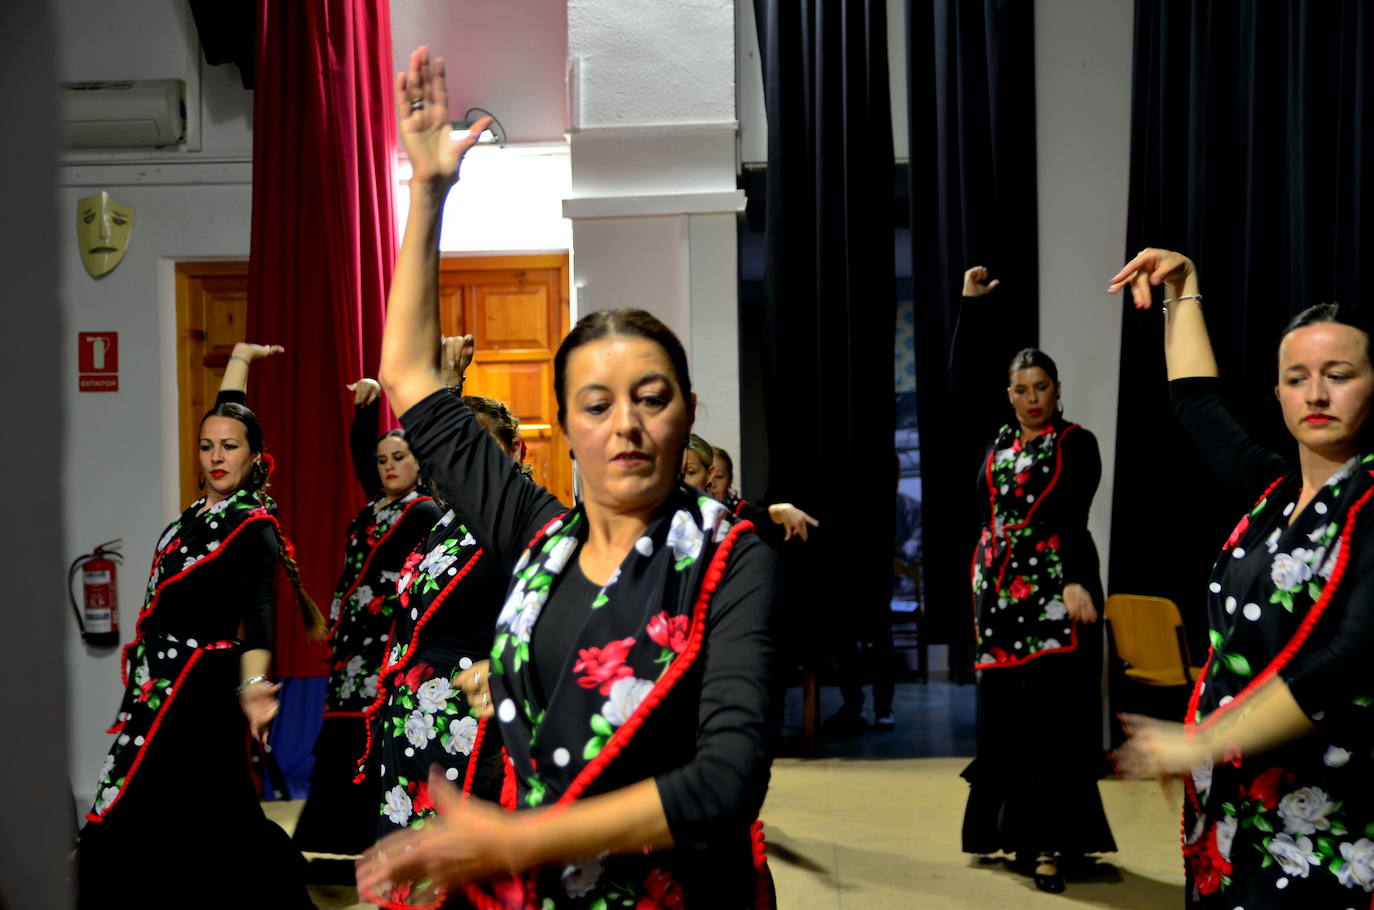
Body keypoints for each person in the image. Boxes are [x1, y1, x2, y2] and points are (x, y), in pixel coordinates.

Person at [355, 46, 780, 909]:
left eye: (651, 399)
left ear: (689, 412)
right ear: (568, 426)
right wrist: (429, 195)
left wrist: (517, 837)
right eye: (596, 404)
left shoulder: (731, 559)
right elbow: (409, 375)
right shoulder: (539, 536)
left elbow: (727, 783)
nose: (625, 424)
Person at [1113, 249, 1374, 908]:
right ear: (1279, 391)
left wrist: (1206, 737)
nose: (1315, 394)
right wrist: (1186, 286)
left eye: (1338, 374)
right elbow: (1196, 402)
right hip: (1242, 804)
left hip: (1334, 814)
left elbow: (1353, 660)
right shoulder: (1274, 490)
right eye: (1296, 377)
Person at [76, 343, 322, 909]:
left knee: (188, 801)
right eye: (207, 445)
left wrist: (255, 688)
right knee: (194, 801)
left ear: (254, 456)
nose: (216, 456)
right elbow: (228, 412)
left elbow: (259, 614)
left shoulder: (250, 525)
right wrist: (238, 360)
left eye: (230, 448)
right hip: (162, 680)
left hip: (199, 682)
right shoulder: (199, 514)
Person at [956, 267, 1115, 893]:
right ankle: (1013, 833)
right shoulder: (994, 441)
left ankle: (1052, 843)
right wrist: (971, 308)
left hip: (1053, 597)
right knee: (1007, 723)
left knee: (1053, 725)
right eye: (1021, 388)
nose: (1031, 398)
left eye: (1040, 387)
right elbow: (963, 383)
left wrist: (1078, 581)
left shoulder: (1076, 443)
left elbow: (1074, 515)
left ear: (1056, 390)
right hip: (996, 600)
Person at [359, 381, 532, 858]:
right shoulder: (448, 518)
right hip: (416, 720)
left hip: (473, 722)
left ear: (515, 450)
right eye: (454, 454)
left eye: (479, 450)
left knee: (465, 870)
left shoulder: (519, 521)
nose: (465, 465)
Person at [291, 378, 441, 868]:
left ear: (419, 462)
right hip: (353, 641)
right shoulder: (375, 506)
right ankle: (336, 835)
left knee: (370, 731)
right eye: (383, 460)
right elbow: (360, 451)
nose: (390, 466)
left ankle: (373, 836)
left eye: (399, 457)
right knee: (340, 731)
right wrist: (365, 408)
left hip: (387, 640)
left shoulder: (423, 511)